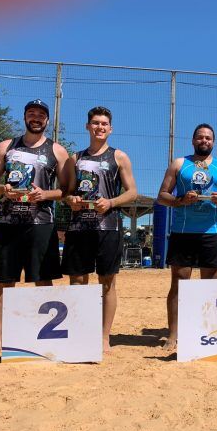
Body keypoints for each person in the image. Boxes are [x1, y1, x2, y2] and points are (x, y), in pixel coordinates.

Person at [0, 99, 72, 354]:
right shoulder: (7, 146)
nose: (36, 118)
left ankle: (45, 336)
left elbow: (67, 190)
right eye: (31, 113)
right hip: (7, 222)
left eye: (41, 115)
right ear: (25, 117)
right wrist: (2, 189)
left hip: (40, 224)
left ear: (47, 120)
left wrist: (45, 195)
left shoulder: (57, 151)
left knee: (43, 279)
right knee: (4, 281)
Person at [62, 106, 138, 353]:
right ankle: (79, 330)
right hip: (79, 227)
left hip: (108, 226)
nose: (100, 127)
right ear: (87, 126)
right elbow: (68, 192)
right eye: (95, 123)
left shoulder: (119, 157)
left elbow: (132, 192)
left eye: (104, 124)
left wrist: (112, 202)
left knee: (107, 281)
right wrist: (70, 200)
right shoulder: (76, 158)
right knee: (77, 280)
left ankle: (104, 336)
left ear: (110, 128)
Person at [157, 124, 217, 350]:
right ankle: (173, 334)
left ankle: (208, 331)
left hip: (212, 232)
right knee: (179, 284)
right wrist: (180, 200)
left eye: (208, 138)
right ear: (193, 140)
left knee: (210, 286)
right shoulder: (179, 164)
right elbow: (162, 196)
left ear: (214, 142)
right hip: (183, 232)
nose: (204, 141)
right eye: (200, 137)